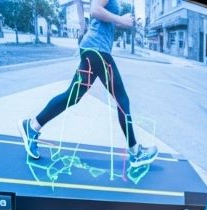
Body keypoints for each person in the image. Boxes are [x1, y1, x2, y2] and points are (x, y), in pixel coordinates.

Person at [19, 0, 158, 168]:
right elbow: (95, 10)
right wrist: (121, 19)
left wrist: (117, 21)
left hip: (94, 49)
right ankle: (135, 153)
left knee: (72, 96)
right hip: (97, 50)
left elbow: (96, 13)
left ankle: (32, 126)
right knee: (122, 100)